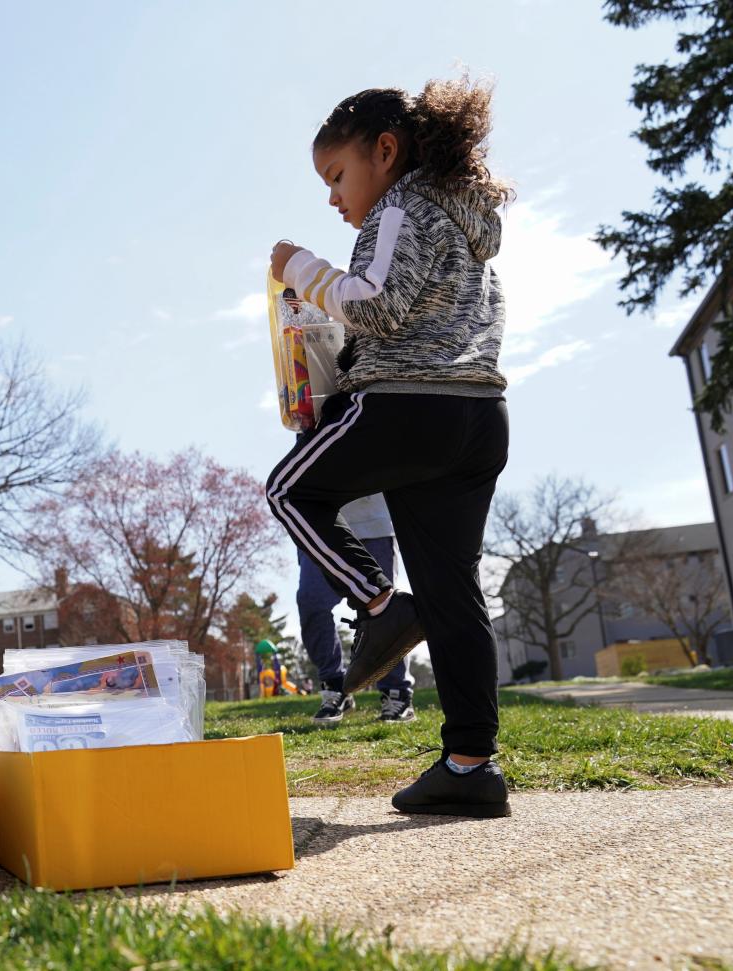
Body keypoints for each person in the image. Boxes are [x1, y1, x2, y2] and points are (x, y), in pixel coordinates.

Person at [264, 78, 513, 818]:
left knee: (290, 490)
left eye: (337, 176)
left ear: (385, 150)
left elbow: (377, 304)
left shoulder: (403, 205)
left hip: (408, 407)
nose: (334, 198)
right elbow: (417, 317)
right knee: (452, 591)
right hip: (479, 418)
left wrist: (301, 268)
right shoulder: (467, 229)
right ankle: (471, 764)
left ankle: (377, 604)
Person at [300, 493, 415, 726]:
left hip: (373, 521)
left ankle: (396, 692)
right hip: (318, 523)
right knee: (311, 602)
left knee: (385, 609)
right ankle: (335, 686)